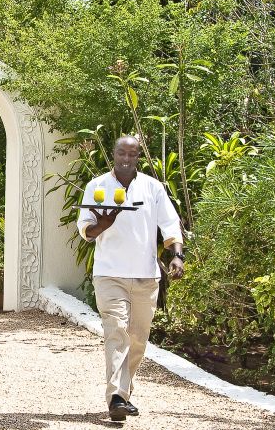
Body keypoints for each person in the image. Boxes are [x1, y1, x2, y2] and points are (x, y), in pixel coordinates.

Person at [76, 135, 184, 422]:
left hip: (146, 276)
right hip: (109, 274)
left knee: (137, 339)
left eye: (132, 154)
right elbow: (85, 230)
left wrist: (176, 255)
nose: (126, 159)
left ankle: (122, 395)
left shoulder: (153, 187)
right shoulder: (97, 186)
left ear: (138, 157)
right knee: (117, 331)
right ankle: (115, 397)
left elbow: (170, 224)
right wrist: (103, 224)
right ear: (113, 154)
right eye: (121, 153)